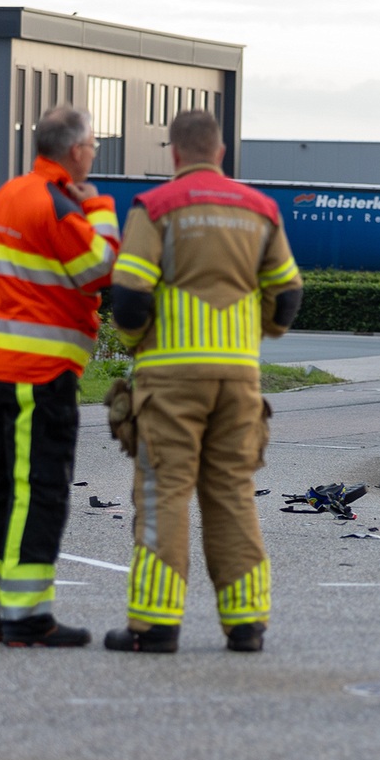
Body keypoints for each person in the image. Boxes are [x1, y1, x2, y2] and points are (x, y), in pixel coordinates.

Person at [102, 110, 303, 653]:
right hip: (238, 378)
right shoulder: (261, 210)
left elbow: (129, 297)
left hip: (171, 379)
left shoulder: (157, 208)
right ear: (220, 152)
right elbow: (287, 296)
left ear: (174, 154)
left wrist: (135, 342)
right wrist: (256, 333)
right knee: (233, 492)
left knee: (164, 492)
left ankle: (155, 625)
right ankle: (246, 625)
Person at [0, 106, 120, 647]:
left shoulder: (5, 195)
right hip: (40, 376)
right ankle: (26, 618)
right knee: (40, 491)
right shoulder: (58, 204)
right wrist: (97, 204)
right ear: (75, 151)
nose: (93, 153)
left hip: (0, 372)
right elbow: (101, 269)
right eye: (92, 146)